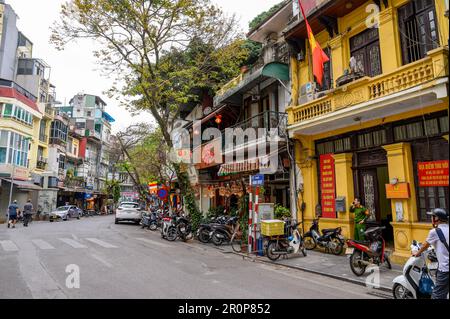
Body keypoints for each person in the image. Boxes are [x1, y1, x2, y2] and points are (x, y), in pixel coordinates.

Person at [413, 208, 448, 299]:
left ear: (436, 219)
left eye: (432, 217)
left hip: (445, 269)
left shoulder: (435, 232)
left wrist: (417, 253)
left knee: (436, 295)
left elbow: (425, 245)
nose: (431, 219)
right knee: (443, 293)